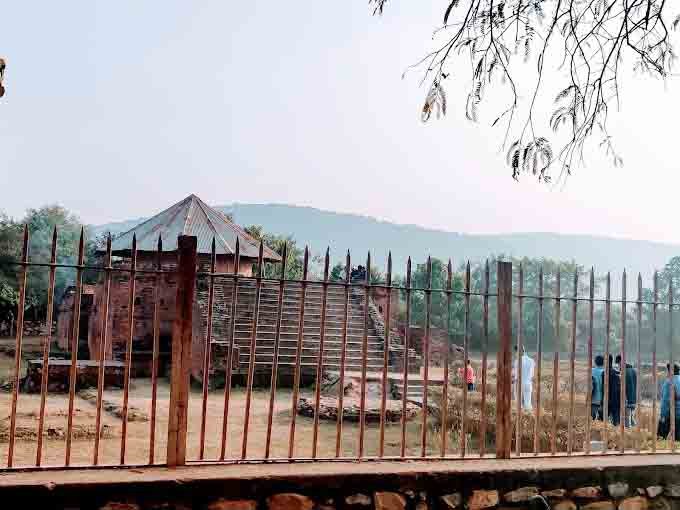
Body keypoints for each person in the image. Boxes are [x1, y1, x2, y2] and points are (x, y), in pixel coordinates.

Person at [659, 363, 680, 440]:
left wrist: (663, 415)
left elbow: (666, 401)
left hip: (673, 414)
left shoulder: (669, 382)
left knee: (661, 437)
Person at [615, 354, 637, 428]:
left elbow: (622, 387)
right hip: (634, 399)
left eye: (618, 364)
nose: (618, 366)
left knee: (627, 420)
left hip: (626, 399)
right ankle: (635, 432)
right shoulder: (633, 370)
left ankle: (630, 434)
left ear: (620, 362)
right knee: (631, 418)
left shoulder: (624, 372)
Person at [512, 346, 535, 411]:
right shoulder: (531, 361)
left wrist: (513, 381)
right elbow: (532, 375)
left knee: (518, 404)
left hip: (519, 384)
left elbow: (516, 376)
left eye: (516, 352)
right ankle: (529, 416)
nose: (516, 354)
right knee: (528, 404)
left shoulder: (517, 361)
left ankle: (521, 417)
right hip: (528, 384)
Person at [607, 354, 621, 426]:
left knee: (603, 421)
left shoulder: (605, 373)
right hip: (616, 401)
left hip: (608, 401)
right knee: (616, 423)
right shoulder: (617, 373)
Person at [591, 355, 605, 420]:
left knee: (591, 419)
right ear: (603, 362)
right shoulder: (605, 372)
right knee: (602, 421)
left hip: (593, 399)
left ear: (595, 362)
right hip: (603, 400)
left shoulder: (591, 371)